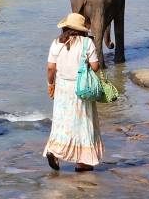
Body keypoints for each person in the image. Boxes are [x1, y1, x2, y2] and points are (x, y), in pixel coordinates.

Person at [43, 12, 104, 172]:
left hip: (62, 88)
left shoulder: (56, 43)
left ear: (65, 27)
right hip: (81, 88)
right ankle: (82, 161)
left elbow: (51, 68)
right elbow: (96, 66)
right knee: (83, 123)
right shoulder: (87, 43)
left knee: (62, 122)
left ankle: (54, 150)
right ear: (83, 29)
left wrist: (51, 83)